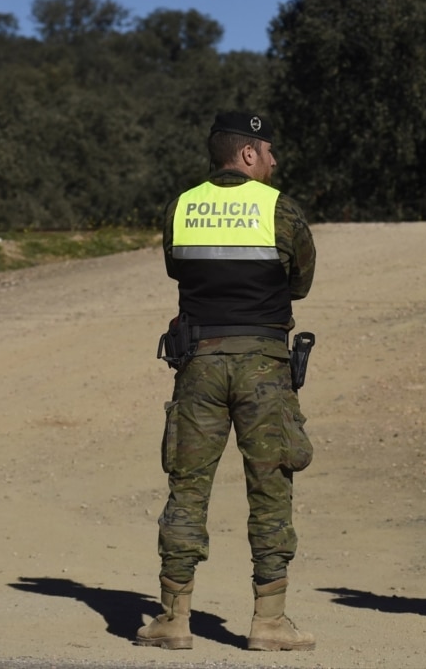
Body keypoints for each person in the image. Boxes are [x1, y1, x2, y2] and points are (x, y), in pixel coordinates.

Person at [136, 111, 316, 652]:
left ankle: (172, 617)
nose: (274, 160)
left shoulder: (182, 207)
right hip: (263, 364)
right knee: (270, 487)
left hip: (199, 364)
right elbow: (301, 280)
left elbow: (177, 269)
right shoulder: (279, 208)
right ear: (246, 155)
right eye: (268, 151)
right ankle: (269, 622)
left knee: (187, 487)